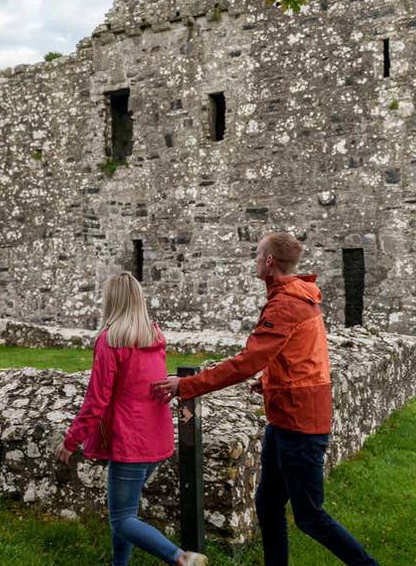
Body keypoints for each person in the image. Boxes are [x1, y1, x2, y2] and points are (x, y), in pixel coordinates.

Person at [152, 232, 379, 566]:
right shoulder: (295, 296)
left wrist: (186, 386)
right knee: (268, 505)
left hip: (300, 423)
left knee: (310, 516)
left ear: (270, 260)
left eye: (258, 254)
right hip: (285, 417)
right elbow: (301, 355)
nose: (255, 259)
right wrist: (272, 382)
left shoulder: (287, 302)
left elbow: (248, 361)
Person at [56, 272, 208, 566]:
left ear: (111, 301)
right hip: (156, 438)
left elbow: (96, 400)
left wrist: (71, 439)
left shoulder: (111, 341)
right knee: (127, 512)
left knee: (122, 518)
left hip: (130, 440)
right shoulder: (153, 336)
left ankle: (180, 557)